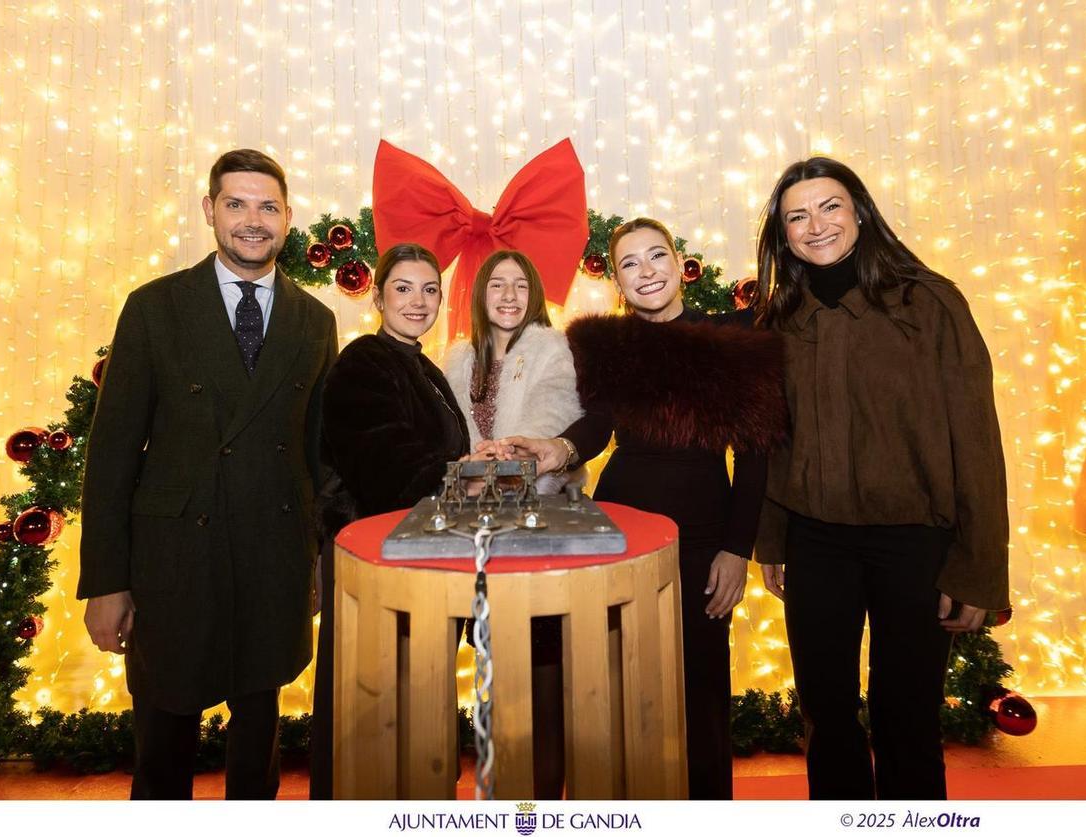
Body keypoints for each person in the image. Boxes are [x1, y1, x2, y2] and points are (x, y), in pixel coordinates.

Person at [78, 149, 338, 799]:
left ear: (288, 218)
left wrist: (318, 562)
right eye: (237, 203)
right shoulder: (154, 308)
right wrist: (107, 582)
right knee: (164, 753)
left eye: (268, 206)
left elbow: (318, 455)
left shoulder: (316, 321)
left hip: (273, 558)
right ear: (209, 210)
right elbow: (110, 454)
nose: (253, 219)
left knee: (258, 748)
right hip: (173, 563)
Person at [502, 218, 787, 799]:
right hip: (616, 533)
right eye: (630, 263)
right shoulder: (606, 346)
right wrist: (558, 449)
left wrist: (738, 549)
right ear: (617, 281)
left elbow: (756, 458)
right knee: (613, 687)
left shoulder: (733, 338)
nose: (647, 270)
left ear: (678, 261)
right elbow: (599, 424)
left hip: (703, 541)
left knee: (700, 692)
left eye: (656, 255)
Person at [752, 157, 1009, 800]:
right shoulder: (781, 318)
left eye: (830, 206)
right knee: (826, 712)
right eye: (798, 216)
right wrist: (774, 540)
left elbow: (976, 442)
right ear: (784, 236)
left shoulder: (929, 303)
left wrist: (978, 568)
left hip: (914, 545)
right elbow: (774, 442)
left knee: (908, 713)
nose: (817, 226)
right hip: (816, 543)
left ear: (861, 211)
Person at [309, 242, 471, 799]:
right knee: (370, 713)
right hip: (372, 562)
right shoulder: (362, 362)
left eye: (430, 290)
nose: (418, 301)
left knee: (416, 706)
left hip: (419, 557)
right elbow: (383, 465)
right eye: (403, 288)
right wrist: (464, 472)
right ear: (378, 296)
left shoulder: (420, 364)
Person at [443, 250, 583, 798]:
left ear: (534, 295)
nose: (507, 295)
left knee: (541, 674)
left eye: (519, 285)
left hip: (536, 529)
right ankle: (493, 799)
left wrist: (509, 457)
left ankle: (543, 803)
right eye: (496, 285)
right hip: (466, 537)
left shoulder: (553, 348)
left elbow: (555, 413)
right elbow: (446, 435)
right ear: (479, 295)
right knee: (490, 674)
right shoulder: (456, 357)